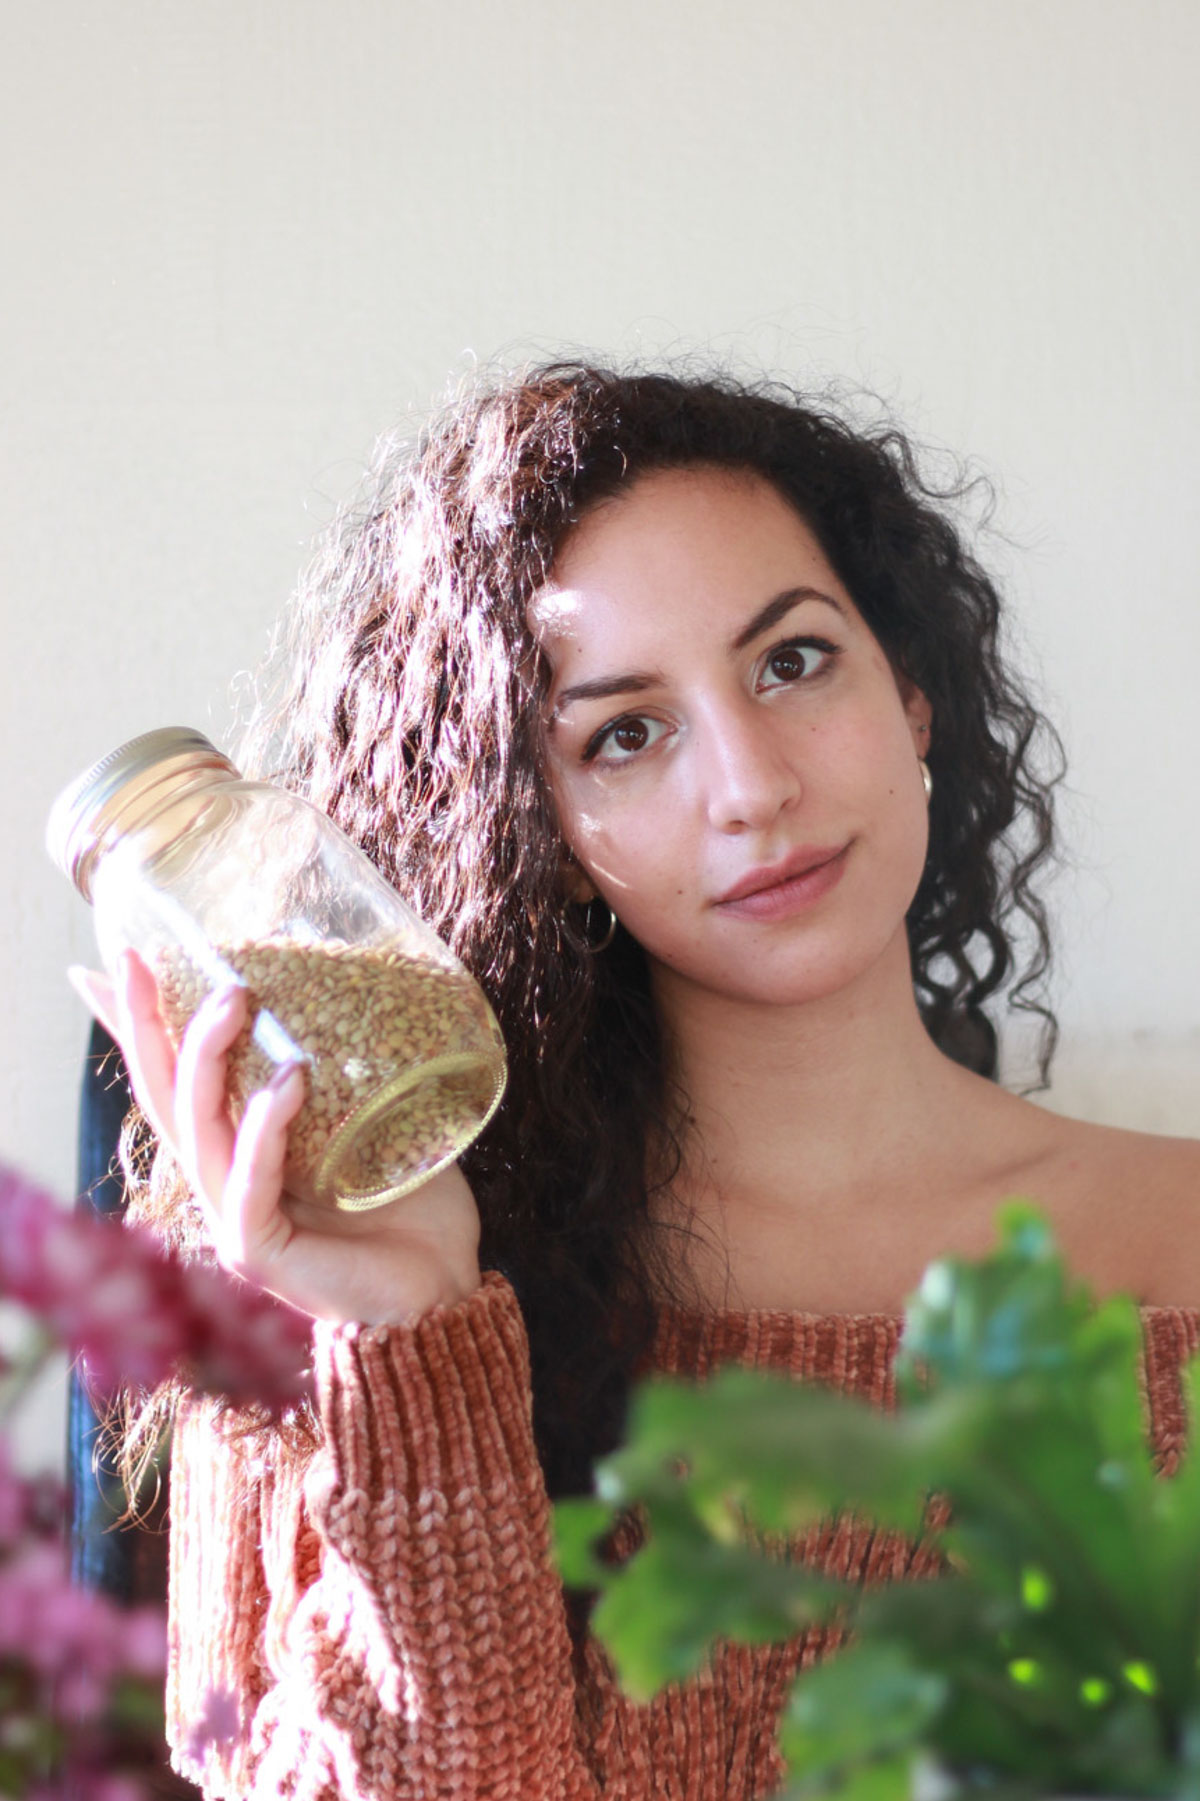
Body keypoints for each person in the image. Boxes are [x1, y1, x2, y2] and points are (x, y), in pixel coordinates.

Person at [73, 363, 1200, 1799]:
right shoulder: (318, 1322)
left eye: (793, 661)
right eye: (624, 733)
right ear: (536, 830)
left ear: (910, 691)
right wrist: (418, 1350)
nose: (749, 785)